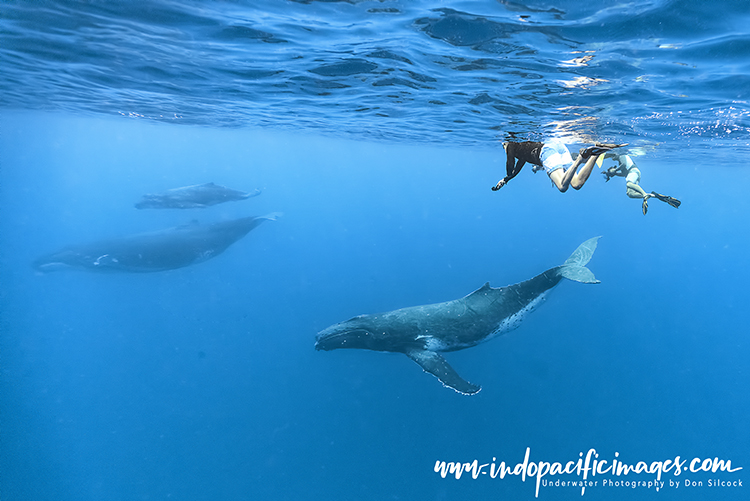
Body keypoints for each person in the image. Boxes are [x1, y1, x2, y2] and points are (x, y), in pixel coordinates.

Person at [492, 140, 626, 193]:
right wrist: (506, 180)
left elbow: (510, 165)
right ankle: (597, 151)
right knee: (577, 184)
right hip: (557, 146)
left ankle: (580, 159)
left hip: (546, 152)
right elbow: (516, 170)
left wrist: (508, 171)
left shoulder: (510, 145)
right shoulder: (521, 152)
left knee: (562, 187)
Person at [601, 153, 681, 215]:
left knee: (629, 184)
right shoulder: (619, 161)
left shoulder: (621, 156)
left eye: (611, 156)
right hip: (633, 173)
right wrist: (614, 173)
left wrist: (615, 171)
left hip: (633, 171)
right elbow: (623, 173)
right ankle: (656, 196)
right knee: (630, 193)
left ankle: (644, 195)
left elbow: (624, 165)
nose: (612, 158)